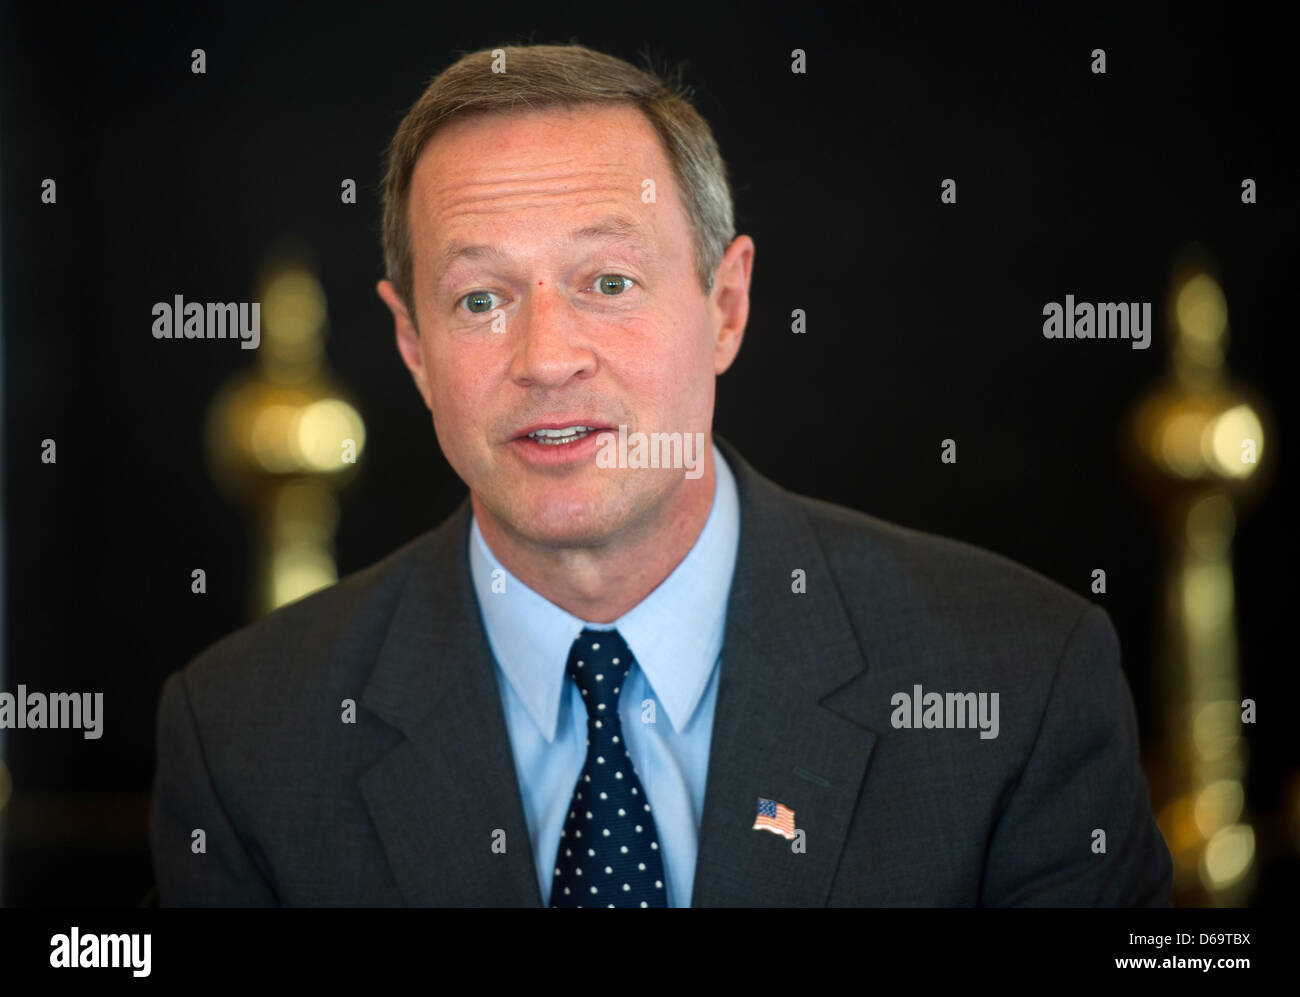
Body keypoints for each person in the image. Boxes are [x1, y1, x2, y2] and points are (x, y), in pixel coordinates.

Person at [149, 43, 1172, 907]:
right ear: (412, 344)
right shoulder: (246, 739)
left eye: (607, 281)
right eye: (477, 300)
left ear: (725, 306)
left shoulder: (1016, 685)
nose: (546, 356)